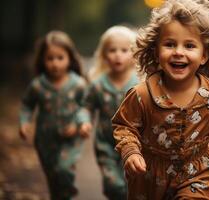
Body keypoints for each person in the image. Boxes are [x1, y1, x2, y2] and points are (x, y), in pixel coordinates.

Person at [112, 0, 209, 199]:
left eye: (189, 45)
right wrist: (131, 151)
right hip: (150, 178)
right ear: (156, 51)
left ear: (204, 55)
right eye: (170, 44)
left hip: (198, 173)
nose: (178, 52)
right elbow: (124, 125)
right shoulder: (142, 95)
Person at [19, 30, 90, 199]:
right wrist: (24, 122)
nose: (55, 64)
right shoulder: (38, 86)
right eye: (50, 58)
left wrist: (81, 123)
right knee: (53, 177)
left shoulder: (78, 84)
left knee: (63, 170)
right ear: (42, 60)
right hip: (45, 140)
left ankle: (67, 193)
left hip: (71, 140)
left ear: (69, 59)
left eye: (60, 58)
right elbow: (27, 105)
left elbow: (85, 106)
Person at [84, 25, 139, 199]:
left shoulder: (141, 84)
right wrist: (85, 121)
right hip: (105, 143)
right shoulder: (97, 85)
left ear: (134, 54)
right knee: (113, 184)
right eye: (112, 50)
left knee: (133, 183)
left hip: (136, 143)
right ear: (104, 55)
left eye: (124, 50)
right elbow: (86, 106)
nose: (118, 55)